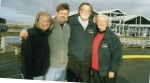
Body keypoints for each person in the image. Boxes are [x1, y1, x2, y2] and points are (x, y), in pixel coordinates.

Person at [20, 3, 70, 81]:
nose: (46, 23)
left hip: (61, 66)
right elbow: (25, 57)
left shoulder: (67, 27)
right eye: (61, 13)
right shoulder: (50, 25)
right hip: (48, 68)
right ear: (56, 13)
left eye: (65, 13)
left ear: (68, 15)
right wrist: (23, 31)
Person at [67, 2, 97, 83]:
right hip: (72, 61)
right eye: (84, 10)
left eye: (88, 11)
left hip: (87, 62)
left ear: (90, 13)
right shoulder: (70, 22)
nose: (86, 12)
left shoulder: (93, 25)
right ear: (79, 11)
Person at [21, 11, 54, 80]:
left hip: (44, 72)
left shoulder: (46, 33)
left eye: (48, 21)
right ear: (37, 21)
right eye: (43, 21)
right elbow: (25, 58)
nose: (46, 23)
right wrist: (28, 77)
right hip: (34, 74)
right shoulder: (30, 34)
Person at [91, 14, 123, 83]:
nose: (101, 23)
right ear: (96, 23)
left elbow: (117, 55)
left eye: (103, 21)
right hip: (95, 70)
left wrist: (112, 70)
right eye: (99, 21)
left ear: (107, 23)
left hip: (107, 71)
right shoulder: (94, 35)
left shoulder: (112, 37)